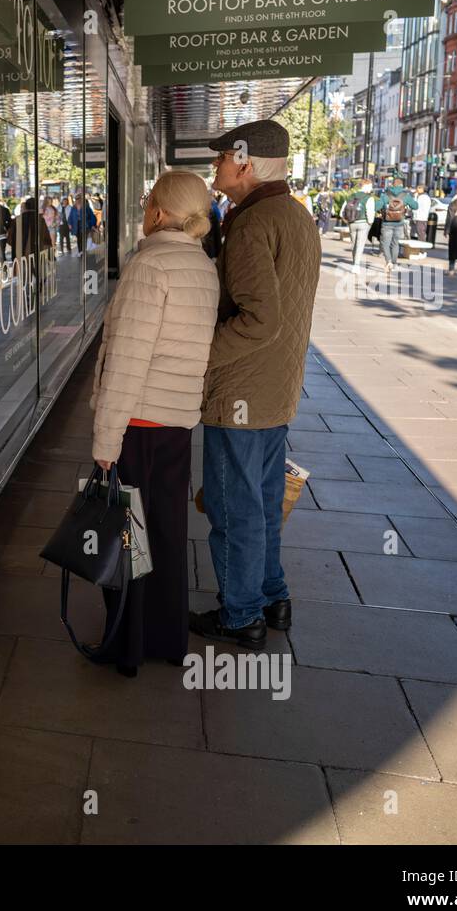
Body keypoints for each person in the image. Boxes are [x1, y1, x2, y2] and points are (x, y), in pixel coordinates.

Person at [192, 119, 321, 650]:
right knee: (263, 503)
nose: (215, 166)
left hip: (240, 391)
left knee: (232, 508)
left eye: (222, 157)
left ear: (245, 163)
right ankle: (273, 596)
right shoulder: (296, 215)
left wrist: (200, 358)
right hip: (277, 388)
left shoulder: (251, 224)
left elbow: (258, 320)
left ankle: (242, 614)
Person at [89, 171, 220, 676]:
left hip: (139, 422)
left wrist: (107, 437)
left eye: (147, 202)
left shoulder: (151, 267)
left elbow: (127, 360)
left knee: (129, 538)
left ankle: (127, 645)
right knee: (166, 533)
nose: (143, 209)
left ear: (160, 213)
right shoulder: (202, 267)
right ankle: (167, 638)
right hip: (177, 423)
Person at [375, 176, 418, 272]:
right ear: (401, 185)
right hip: (399, 222)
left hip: (386, 223)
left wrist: (382, 208)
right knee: (395, 244)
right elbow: (415, 206)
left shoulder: (385, 195)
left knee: (385, 243)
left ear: (392, 184)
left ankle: (388, 261)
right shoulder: (405, 195)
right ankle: (394, 264)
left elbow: (376, 207)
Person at [343, 179, 377, 271]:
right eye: (370, 186)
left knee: (354, 244)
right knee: (360, 244)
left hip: (352, 223)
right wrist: (370, 222)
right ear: (366, 186)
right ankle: (356, 265)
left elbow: (342, 211)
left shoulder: (350, 197)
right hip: (363, 223)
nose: (371, 188)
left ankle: (355, 262)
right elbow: (370, 213)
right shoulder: (368, 198)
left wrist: (347, 221)